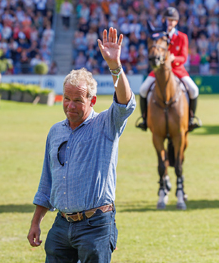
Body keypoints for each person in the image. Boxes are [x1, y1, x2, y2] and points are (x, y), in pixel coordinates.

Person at [27, 27, 135, 263]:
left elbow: (125, 104)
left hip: (95, 226)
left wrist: (115, 66)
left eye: (78, 100)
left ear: (92, 100)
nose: (70, 105)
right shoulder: (55, 131)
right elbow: (47, 182)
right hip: (61, 226)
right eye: (66, 98)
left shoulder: (106, 124)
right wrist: (36, 221)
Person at [136, 7, 201, 131]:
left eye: (172, 20)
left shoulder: (182, 37)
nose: (170, 22)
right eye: (167, 19)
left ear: (176, 22)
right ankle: (144, 119)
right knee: (143, 89)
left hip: (177, 70)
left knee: (194, 90)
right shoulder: (158, 35)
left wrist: (172, 60)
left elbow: (183, 57)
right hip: (158, 71)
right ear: (163, 20)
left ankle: (191, 119)